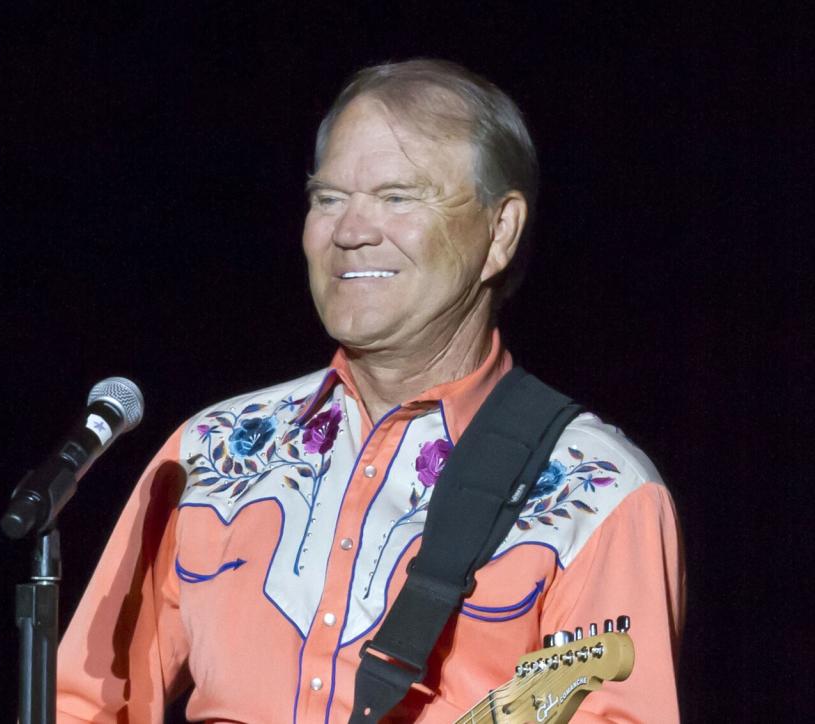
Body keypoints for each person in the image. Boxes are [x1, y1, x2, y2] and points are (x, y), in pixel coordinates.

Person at [56, 59, 684, 723]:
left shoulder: (599, 492)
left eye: (397, 197)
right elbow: (87, 704)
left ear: (499, 233)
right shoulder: (210, 450)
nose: (350, 231)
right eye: (327, 199)